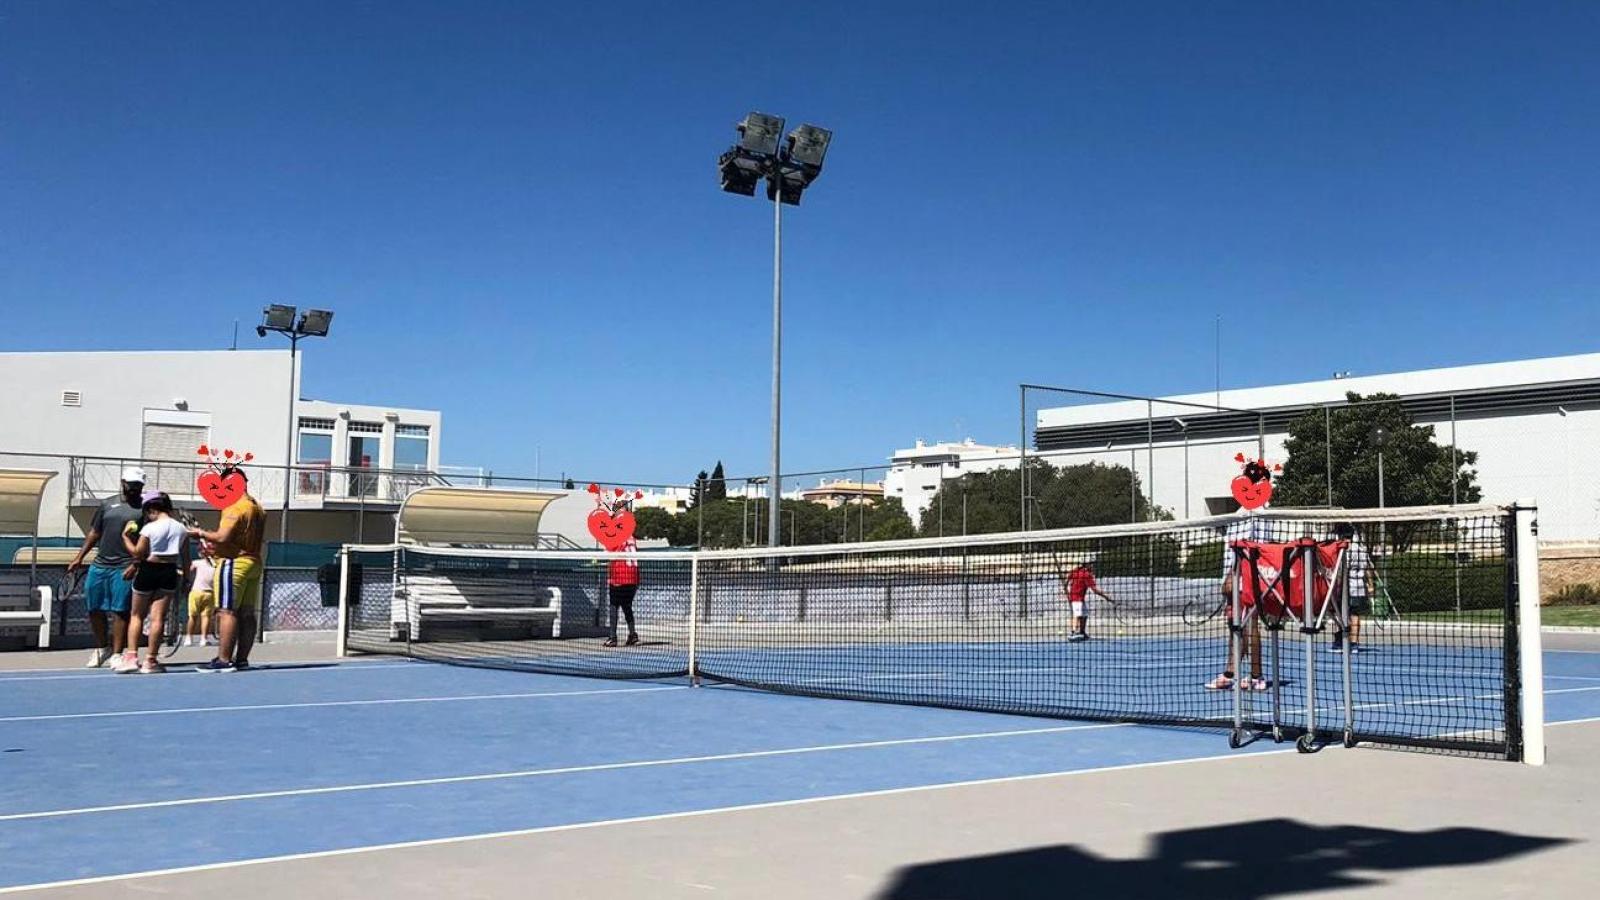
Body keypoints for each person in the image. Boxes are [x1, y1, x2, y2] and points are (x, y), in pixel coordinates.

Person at [66, 468, 146, 668]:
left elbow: (149, 539)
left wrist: (136, 564)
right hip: (100, 565)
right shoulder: (107, 504)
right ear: (123, 482)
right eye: (132, 484)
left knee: (120, 611)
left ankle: (117, 653)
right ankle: (102, 648)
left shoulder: (146, 508)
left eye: (138, 485)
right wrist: (79, 557)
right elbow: (94, 532)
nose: (135, 488)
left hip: (125, 566)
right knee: (94, 608)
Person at [187, 466, 264, 672]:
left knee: (226, 611)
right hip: (254, 562)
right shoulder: (257, 507)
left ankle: (224, 659)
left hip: (233, 563)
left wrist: (200, 533)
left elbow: (222, 537)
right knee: (247, 613)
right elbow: (234, 538)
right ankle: (242, 659)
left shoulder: (234, 506)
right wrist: (215, 546)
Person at [112, 492, 188, 674]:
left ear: (152, 509)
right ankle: (151, 660)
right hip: (169, 571)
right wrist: (186, 580)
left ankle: (131, 657)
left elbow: (138, 553)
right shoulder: (181, 529)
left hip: (149, 570)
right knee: (158, 618)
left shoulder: (149, 529)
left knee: (137, 615)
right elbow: (186, 559)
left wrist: (125, 538)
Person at [1331, 522, 1373, 653]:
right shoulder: (1361, 549)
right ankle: (1353, 643)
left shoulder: (1343, 549)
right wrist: (1371, 585)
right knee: (1355, 614)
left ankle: (1343, 640)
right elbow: (1367, 569)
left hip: (1347, 587)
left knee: (1340, 613)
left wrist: (1336, 585)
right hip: (1359, 586)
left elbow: (1341, 570)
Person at [1061, 557, 1111, 642]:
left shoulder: (1075, 571)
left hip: (1079, 598)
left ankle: (1082, 633)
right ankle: (1073, 633)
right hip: (1076, 598)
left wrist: (1064, 590)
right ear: (1087, 564)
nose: (1092, 565)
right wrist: (1106, 596)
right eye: (1091, 564)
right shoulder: (1087, 574)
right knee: (1077, 614)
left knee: (1084, 614)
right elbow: (1094, 590)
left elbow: (1066, 580)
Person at [603, 536, 640, 647]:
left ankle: (612, 637)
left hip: (619, 577)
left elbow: (608, 555)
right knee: (627, 605)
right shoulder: (632, 538)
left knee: (613, 606)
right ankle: (632, 635)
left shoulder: (613, 537)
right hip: (633, 577)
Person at [186, 541, 219, 647]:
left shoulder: (199, 563)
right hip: (208, 593)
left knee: (193, 616)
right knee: (205, 617)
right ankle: (203, 639)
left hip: (197, 592)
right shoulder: (215, 564)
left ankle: (189, 638)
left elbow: (189, 570)